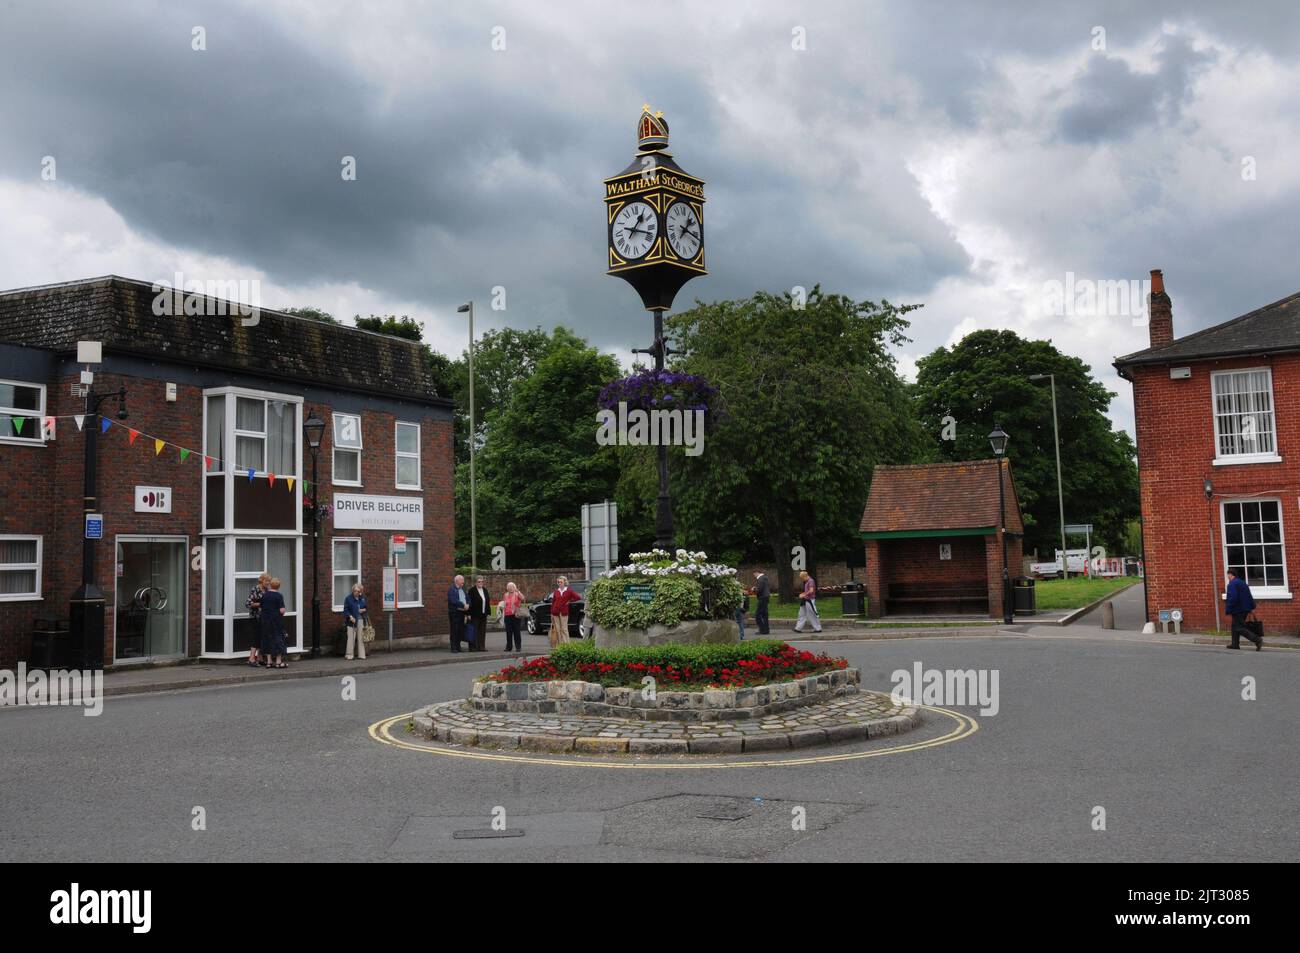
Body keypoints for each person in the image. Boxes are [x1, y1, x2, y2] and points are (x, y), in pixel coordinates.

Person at [1225, 569, 1263, 651]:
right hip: (1245, 609)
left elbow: (1233, 597)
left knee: (1239, 627)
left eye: (1228, 575)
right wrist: (1252, 607)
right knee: (1234, 626)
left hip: (1237, 609)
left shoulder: (1232, 584)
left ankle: (1257, 639)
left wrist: (1228, 608)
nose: (1227, 577)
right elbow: (1249, 595)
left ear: (1231, 575)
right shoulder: (1243, 583)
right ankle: (1235, 644)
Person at [259, 577, 288, 668]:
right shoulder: (279, 596)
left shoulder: (264, 595)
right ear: (278, 586)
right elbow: (282, 610)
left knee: (267, 638)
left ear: (270, 585)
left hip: (265, 620)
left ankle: (269, 662)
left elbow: (261, 608)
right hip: (276, 621)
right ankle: (278, 662)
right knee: (278, 638)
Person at [245, 573, 269, 667]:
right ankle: (251, 659)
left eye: (268, 581)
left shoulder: (267, 590)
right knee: (256, 637)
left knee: (262, 637)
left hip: (264, 617)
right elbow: (248, 603)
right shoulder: (255, 589)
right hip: (255, 617)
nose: (268, 583)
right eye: (266, 581)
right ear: (261, 580)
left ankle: (259, 658)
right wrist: (261, 604)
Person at [549, 575, 579, 649]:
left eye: (561, 582)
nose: (559, 583)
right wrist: (551, 613)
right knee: (558, 629)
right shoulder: (556, 591)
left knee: (564, 629)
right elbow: (553, 602)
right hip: (555, 612)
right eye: (558, 582)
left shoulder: (569, 591)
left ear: (564, 582)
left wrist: (569, 601)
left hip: (564, 612)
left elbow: (578, 597)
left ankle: (567, 645)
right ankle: (559, 646)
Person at [343, 583, 369, 660]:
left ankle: (361, 655)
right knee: (351, 638)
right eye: (355, 591)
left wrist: (363, 610)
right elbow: (345, 610)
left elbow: (366, 608)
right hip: (352, 621)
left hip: (360, 620)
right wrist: (350, 617)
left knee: (361, 638)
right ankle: (349, 654)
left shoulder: (362, 598)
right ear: (353, 590)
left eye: (358, 591)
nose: (357, 593)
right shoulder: (348, 598)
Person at [447, 574, 471, 652]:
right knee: (454, 630)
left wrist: (468, 604)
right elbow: (453, 600)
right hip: (455, 613)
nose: (463, 582)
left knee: (460, 630)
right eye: (462, 581)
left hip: (462, 613)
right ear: (457, 581)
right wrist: (463, 605)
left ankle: (458, 646)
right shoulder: (452, 589)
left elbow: (468, 598)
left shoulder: (463, 590)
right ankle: (453, 647)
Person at [468, 575, 491, 653]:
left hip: (483, 614)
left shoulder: (484, 590)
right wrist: (468, 614)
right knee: (474, 631)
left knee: (482, 631)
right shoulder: (472, 590)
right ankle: (473, 647)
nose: (481, 583)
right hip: (474, 614)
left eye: (482, 581)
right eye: (479, 581)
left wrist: (488, 612)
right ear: (475, 582)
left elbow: (487, 601)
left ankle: (481, 647)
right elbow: (469, 603)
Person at [501, 582, 525, 652]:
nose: (510, 588)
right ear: (507, 588)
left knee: (516, 632)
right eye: (509, 587)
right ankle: (509, 647)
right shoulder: (505, 595)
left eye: (512, 587)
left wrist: (518, 591)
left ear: (514, 587)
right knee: (508, 632)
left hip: (516, 615)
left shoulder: (517, 594)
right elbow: (504, 603)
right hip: (507, 615)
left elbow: (523, 598)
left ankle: (518, 647)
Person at [753, 570, 771, 635]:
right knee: (765, 614)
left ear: (757, 573)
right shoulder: (765, 578)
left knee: (757, 614)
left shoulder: (760, 579)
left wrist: (754, 589)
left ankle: (762, 630)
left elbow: (759, 590)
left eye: (754, 574)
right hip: (766, 597)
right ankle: (766, 630)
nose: (754, 576)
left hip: (762, 597)